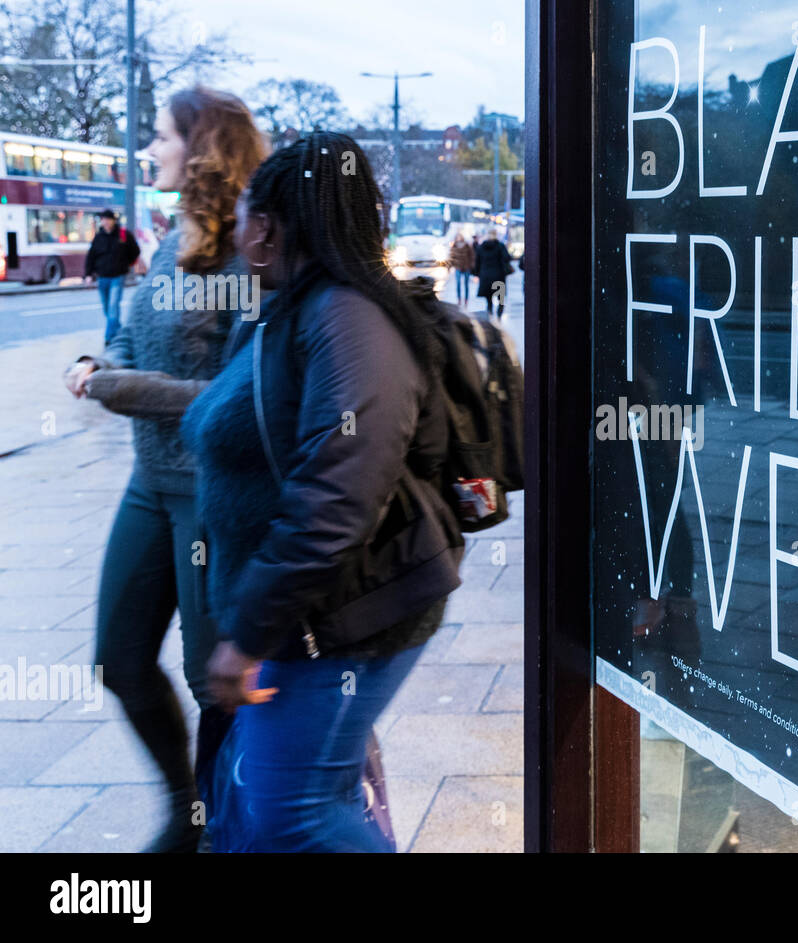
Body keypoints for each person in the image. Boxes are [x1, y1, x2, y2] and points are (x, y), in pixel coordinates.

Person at [180, 133, 464, 852]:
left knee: (292, 811)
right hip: (307, 614)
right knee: (298, 797)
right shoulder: (292, 307)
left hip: (348, 613)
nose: (236, 231)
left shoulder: (345, 317)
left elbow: (336, 496)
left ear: (270, 228)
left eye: (246, 214)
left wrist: (245, 635)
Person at [61, 87, 268, 853]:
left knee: (215, 678)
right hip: (149, 484)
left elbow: (235, 396)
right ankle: (186, 810)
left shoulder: (250, 251)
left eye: (160, 136)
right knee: (119, 659)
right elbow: (141, 346)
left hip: (214, 495)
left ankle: (227, 820)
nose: (150, 149)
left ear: (203, 148)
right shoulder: (171, 236)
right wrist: (102, 363)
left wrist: (113, 389)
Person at [83, 209, 140, 344]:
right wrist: (88, 275)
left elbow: (135, 251)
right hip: (102, 277)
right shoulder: (98, 237)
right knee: (107, 308)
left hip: (117, 276)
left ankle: (109, 338)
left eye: (108, 219)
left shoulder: (123, 235)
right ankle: (119, 331)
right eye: (103, 220)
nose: (106, 222)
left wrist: (126, 264)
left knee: (113, 306)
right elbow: (91, 257)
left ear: (113, 221)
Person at [473, 228, 513, 321]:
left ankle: (490, 313)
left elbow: (477, 262)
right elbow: (507, 258)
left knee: (489, 298)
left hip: (486, 275)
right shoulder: (500, 246)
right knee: (501, 298)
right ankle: (499, 315)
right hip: (498, 275)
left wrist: (477, 274)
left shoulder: (481, 247)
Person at [448, 232, 474, 306]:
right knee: (458, 284)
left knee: (466, 284)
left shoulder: (467, 245)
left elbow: (472, 255)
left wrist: (471, 265)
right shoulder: (454, 246)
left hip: (466, 267)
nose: (458, 238)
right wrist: (449, 267)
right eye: (457, 237)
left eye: (460, 236)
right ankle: (459, 299)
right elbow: (451, 257)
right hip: (458, 267)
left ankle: (466, 300)